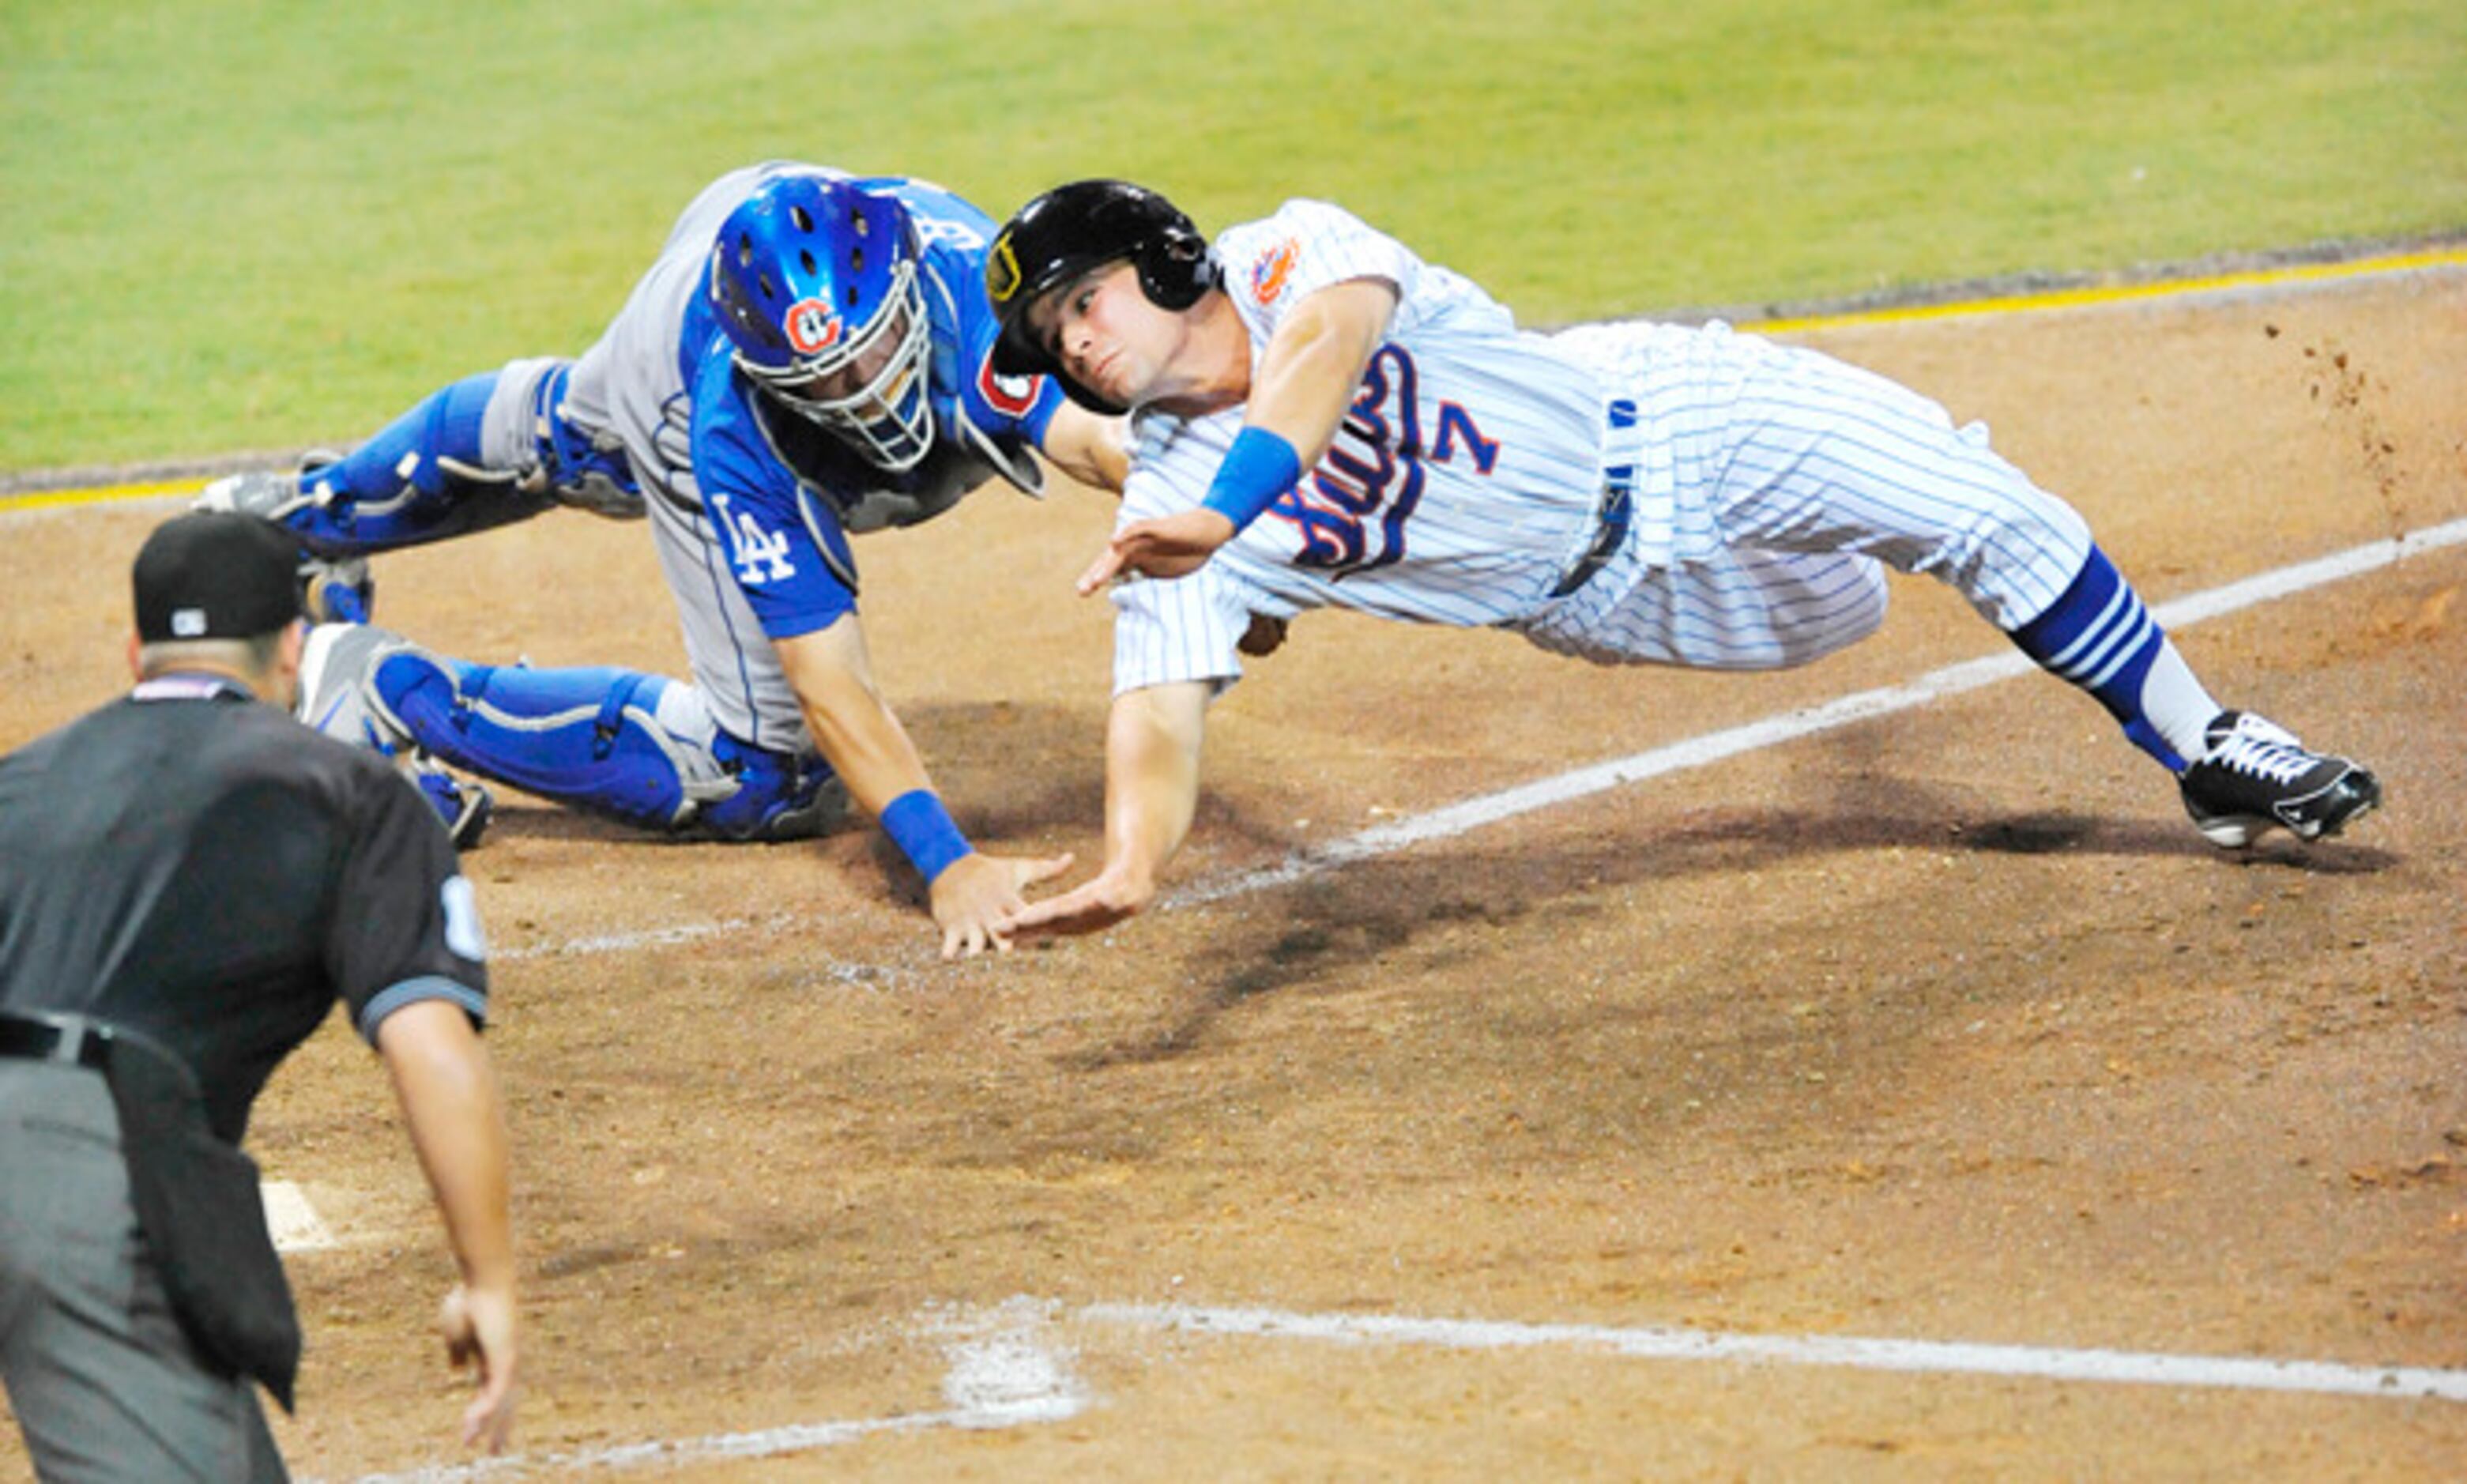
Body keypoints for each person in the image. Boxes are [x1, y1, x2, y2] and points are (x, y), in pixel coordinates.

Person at [977, 179, 2385, 936]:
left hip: (1671, 415)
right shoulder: (1160, 504)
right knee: (1846, 606)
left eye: (1081, 302)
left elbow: (1326, 355)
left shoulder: (1288, 253)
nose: (1076, 342)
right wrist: (1130, 859)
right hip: (1614, 600)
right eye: (1053, 341)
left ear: (1162, 260)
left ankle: (2207, 748)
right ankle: (1980, 560)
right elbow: (1155, 707)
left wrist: (1233, 515)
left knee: (1976, 506)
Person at [202, 161, 1113, 957]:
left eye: (870, 354)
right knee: (767, 775)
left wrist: (1217, 516)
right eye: (821, 385)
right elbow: (827, 682)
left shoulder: (989, 301)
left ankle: (284, 522)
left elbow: (1102, 436)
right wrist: (945, 863)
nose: (861, 392)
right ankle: (384, 687)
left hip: (776, 239)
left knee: (574, 434)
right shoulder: (732, 420)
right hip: (682, 345)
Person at [0, 510, 517, 1478]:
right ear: (292, 650)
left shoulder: (18, 784)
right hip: (70, 1177)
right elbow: (430, 1044)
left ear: (134, 653)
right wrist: (488, 1281)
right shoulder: (349, 793)